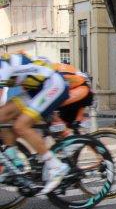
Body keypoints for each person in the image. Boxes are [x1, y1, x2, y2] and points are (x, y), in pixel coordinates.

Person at [0, 53, 69, 194]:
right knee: (2, 116)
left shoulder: (2, 69)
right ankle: (13, 159)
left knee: (20, 126)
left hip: (53, 85)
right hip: (35, 90)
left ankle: (56, 167)